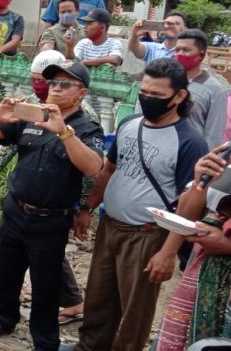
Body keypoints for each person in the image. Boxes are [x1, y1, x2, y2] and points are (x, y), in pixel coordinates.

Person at [65, 58, 209, 351]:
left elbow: (188, 205)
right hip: (110, 227)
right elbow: (109, 168)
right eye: (144, 92)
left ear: (179, 96)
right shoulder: (129, 123)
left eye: (157, 96)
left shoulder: (189, 141)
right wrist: (87, 209)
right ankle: (89, 346)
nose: (147, 99)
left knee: (135, 310)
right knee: (98, 298)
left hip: (148, 234)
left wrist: (168, 252)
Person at [0, 61, 105, 350]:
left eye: (64, 84)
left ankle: (45, 339)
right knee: (7, 271)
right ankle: (3, 318)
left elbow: (92, 167)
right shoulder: (32, 117)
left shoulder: (87, 127)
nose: (55, 88)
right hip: (14, 211)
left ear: (81, 93)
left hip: (50, 220)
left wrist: (64, 132)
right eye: (53, 83)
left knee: (45, 283)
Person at [153, 143, 231, 350]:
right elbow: (187, 213)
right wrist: (200, 181)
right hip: (202, 277)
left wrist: (227, 245)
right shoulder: (224, 158)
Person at [177, 29, 228, 150]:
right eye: (177, 49)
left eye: (186, 50)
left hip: (190, 154)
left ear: (201, 55)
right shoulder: (167, 80)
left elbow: (213, 135)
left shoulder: (215, 90)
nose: (179, 54)